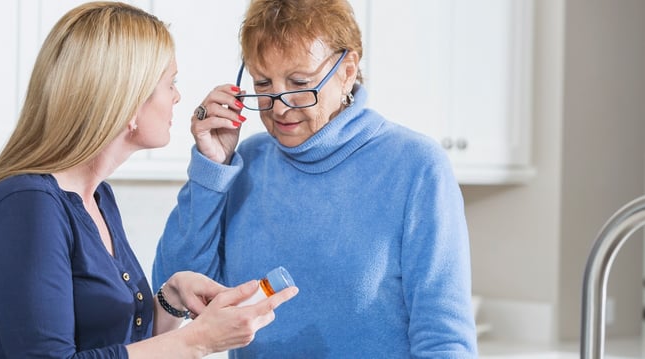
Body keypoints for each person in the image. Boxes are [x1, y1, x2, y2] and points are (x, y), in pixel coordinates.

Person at [0, 2, 297, 358]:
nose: (178, 96)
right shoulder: (26, 205)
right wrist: (198, 340)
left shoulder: (97, 197)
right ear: (129, 100)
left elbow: (121, 346)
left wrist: (171, 299)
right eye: (171, 83)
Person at [152, 0, 478, 357]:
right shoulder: (245, 162)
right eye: (263, 83)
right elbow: (174, 292)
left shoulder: (416, 166)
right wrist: (210, 171)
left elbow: (444, 337)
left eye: (298, 82)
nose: (279, 106)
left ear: (348, 70)